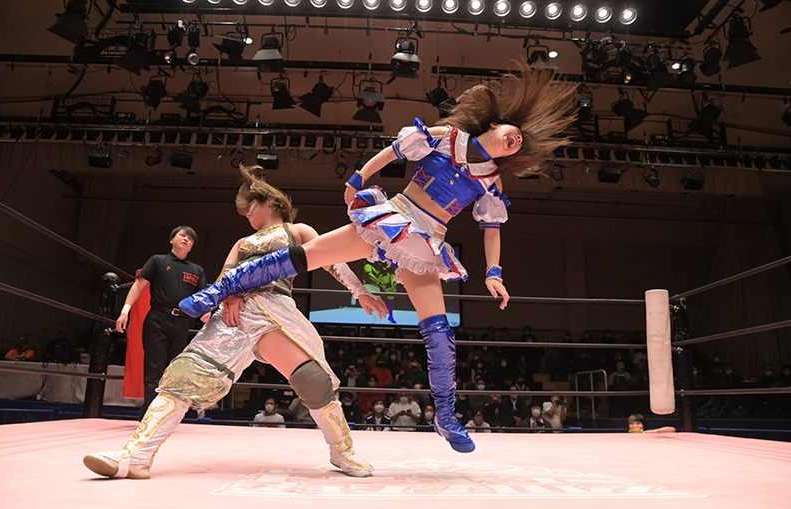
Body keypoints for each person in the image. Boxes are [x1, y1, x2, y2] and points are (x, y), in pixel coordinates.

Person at [179, 61, 576, 453]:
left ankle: (445, 414)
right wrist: (357, 178)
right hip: (394, 217)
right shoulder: (447, 136)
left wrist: (494, 273)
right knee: (309, 254)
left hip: (427, 242)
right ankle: (217, 291)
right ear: (493, 125)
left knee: (439, 331)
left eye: (522, 142)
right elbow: (393, 151)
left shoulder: (493, 180)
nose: (517, 140)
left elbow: (492, 228)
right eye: (515, 133)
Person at [83, 165, 387, 480]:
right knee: (183, 376)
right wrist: (229, 297)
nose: (246, 214)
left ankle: (342, 451)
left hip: (275, 313)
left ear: (269, 201)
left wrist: (361, 292)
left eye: (250, 206)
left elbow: (332, 259)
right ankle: (136, 456)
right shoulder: (241, 243)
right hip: (235, 316)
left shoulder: (297, 231)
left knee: (313, 381)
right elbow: (224, 277)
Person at [116, 225, 207, 420]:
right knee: (154, 369)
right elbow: (138, 286)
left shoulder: (197, 270)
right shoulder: (158, 260)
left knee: (174, 372)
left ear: (192, 247)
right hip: (157, 319)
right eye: (182, 235)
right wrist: (125, 311)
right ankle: (148, 417)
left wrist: (206, 314)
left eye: (190, 238)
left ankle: (168, 416)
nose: (186, 239)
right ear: (171, 239)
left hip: (182, 323)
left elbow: (203, 297)